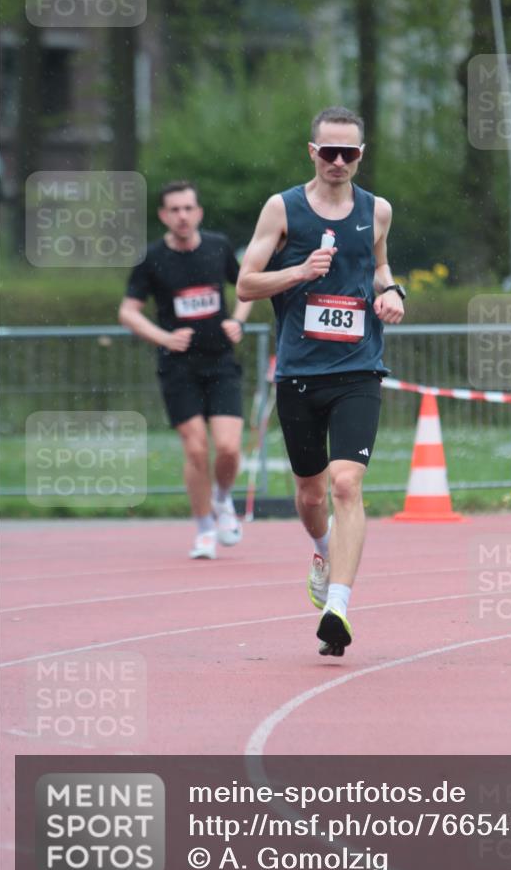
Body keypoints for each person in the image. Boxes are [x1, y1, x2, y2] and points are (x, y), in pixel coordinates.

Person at [237, 106, 405, 656]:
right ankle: (322, 547)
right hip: (300, 372)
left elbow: (380, 266)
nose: (337, 161)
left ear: (361, 155)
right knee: (310, 494)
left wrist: (392, 293)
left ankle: (338, 605)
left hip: (359, 368)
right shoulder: (281, 208)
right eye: (328, 151)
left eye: (348, 153)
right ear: (312, 151)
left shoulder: (376, 210)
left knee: (346, 485)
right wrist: (299, 272)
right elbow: (245, 284)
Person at [119, 181, 251, 559]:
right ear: (163, 215)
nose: (182, 215)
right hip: (179, 366)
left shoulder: (218, 246)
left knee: (227, 447)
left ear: (198, 213)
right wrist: (163, 337)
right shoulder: (151, 258)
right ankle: (204, 529)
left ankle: (222, 500)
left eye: (188, 208)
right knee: (196, 449)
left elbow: (246, 287)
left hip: (221, 361)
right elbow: (128, 312)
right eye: (174, 209)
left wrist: (238, 322)